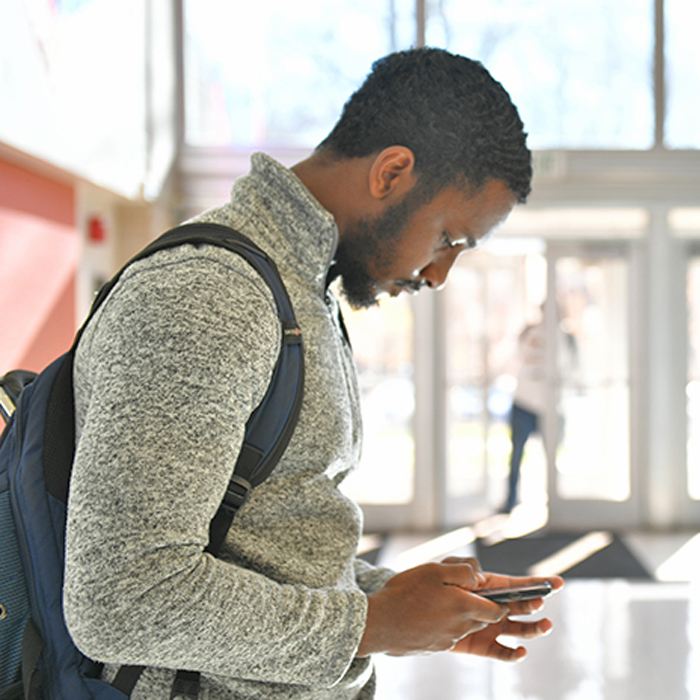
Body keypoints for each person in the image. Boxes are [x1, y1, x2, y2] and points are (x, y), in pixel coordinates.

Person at [63, 48, 563, 700]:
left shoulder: (301, 290)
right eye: (448, 238)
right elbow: (123, 596)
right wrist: (371, 624)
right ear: (392, 172)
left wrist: (400, 607)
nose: (439, 275)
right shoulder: (209, 292)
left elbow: (256, 545)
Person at [502, 309, 577, 513]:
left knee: (554, 457)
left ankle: (558, 505)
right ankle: (510, 501)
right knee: (516, 454)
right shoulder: (528, 333)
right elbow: (514, 358)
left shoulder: (567, 339)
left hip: (552, 407)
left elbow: (572, 368)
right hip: (524, 403)